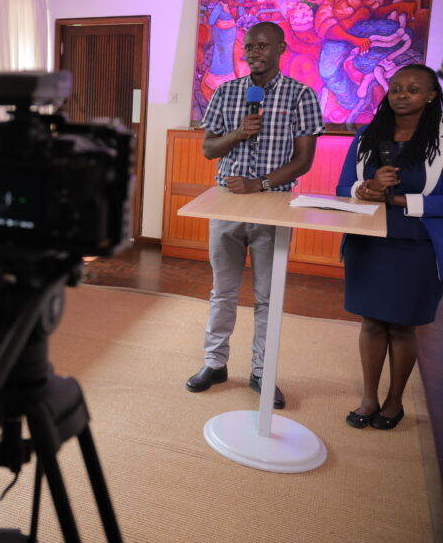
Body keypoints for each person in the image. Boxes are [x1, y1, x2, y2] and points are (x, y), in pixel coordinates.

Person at [186, 21, 325, 408]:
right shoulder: (227, 92)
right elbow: (209, 149)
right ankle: (214, 364)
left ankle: (262, 373)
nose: (254, 53)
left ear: (281, 48)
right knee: (222, 291)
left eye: (263, 46)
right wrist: (239, 133)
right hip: (225, 204)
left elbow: (303, 161)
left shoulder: (302, 95)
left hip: (273, 205)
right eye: (249, 47)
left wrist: (260, 184)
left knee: (267, 296)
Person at [335, 63, 442, 431]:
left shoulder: (442, 139)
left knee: (402, 327)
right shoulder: (368, 135)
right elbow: (343, 188)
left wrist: (397, 200)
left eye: (413, 89)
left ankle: (395, 400)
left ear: (431, 95)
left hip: (418, 245)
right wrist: (366, 189)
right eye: (396, 88)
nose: (401, 95)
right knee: (371, 323)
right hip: (368, 240)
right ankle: (369, 397)